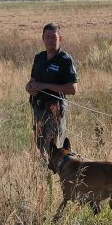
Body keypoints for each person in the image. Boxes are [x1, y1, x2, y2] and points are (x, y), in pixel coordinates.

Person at [25, 23, 78, 158]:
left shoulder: (65, 59)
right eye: (47, 37)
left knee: (54, 145)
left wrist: (45, 86)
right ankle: (44, 170)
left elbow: (73, 89)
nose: (50, 40)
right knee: (40, 143)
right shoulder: (39, 57)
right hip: (38, 108)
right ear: (42, 38)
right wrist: (28, 88)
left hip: (55, 109)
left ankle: (56, 171)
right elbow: (32, 81)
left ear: (60, 39)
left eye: (53, 37)